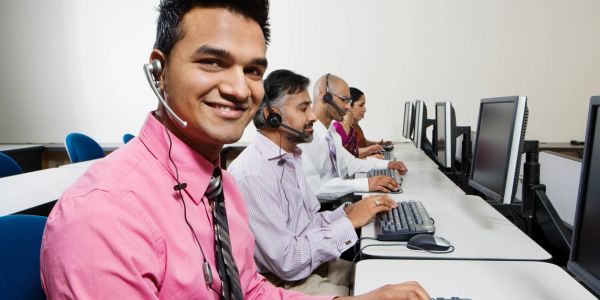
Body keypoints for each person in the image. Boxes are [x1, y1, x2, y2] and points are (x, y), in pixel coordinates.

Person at [40, 1, 429, 299]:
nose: (240, 89)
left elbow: (253, 292)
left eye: (253, 71)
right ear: (159, 72)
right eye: (212, 62)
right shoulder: (103, 217)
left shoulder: (220, 187)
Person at [229, 69, 404, 296]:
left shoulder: (289, 158)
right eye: (303, 108)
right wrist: (349, 223)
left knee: (385, 274)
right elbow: (288, 262)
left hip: (306, 266)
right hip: (281, 282)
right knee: (383, 290)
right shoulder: (253, 174)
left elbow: (309, 222)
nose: (312, 116)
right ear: (273, 115)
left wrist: (348, 212)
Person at [299, 74, 407, 201]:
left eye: (349, 101)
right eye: (344, 100)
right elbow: (314, 189)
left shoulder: (331, 133)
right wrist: (365, 184)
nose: (348, 107)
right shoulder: (304, 137)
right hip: (322, 210)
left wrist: (387, 164)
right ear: (324, 96)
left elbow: (350, 163)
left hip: (338, 201)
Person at [331, 87, 383, 159]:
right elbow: (342, 161)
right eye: (361, 105)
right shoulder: (338, 129)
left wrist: (369, 150)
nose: (365, 109)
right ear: (348, 105)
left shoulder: (351, 128)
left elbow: (353, 153)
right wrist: (370, 158)